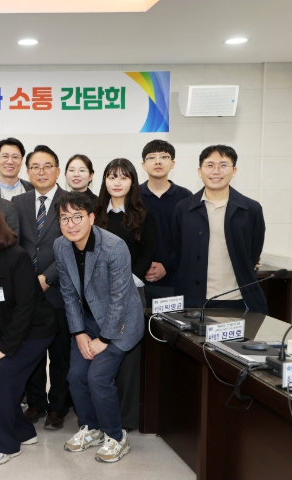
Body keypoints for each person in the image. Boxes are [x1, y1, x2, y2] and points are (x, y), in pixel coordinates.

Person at [0, 203, 58, 465]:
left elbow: (26, 308)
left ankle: (5, 445)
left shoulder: (17, 257)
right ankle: (24, 431)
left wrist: (3, 348)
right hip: (4, 332)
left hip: (35, 330)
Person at [53, 192, 144, 463]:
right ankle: (91, 428)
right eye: (64, 218)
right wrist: (79, 332)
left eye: (77, 217)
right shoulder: (60, 246)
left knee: (98, 378)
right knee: (76, 376)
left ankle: (116, 437)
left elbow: (119, 298)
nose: (71, 224)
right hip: (88, 322)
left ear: (91, 218)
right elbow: (68, 293)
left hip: (121, 322)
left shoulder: (114, 246)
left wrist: (103, 339)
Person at [92, 158, 157, 431]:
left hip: (130, 293)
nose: (117, 182)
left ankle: (127, 418)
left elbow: (148, 252)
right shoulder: (95, 213)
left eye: (123, 177)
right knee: (101, 356)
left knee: (128, 358)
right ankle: (101, 416)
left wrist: (126, 282)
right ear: (104, 181)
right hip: (98, 296)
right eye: (111, 176)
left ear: (132, 182)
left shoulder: (143, 214)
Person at [12, 145, 70, 430]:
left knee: (60, 353)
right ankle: (36, 403)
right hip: (26, 293)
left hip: (59, 290)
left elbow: (72, 244)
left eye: (47, 166)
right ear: (28, 171)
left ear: (57, 171)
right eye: (35, 167)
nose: (41, 171)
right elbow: (14, 243)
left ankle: (58, 407)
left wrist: (47, 277)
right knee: (31, 352)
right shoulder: (18, 202)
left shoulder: (69, 202)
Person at [171, 145, 267, 313]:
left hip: (237, 298)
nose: (216, 171)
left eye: (223, 165)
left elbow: (252, 252)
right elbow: (179, 251)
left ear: (234, 171)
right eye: (209, 165)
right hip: (193, 299)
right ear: (199, 171)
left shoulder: (251, 209)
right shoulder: (183, 208)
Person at [139, 140, 193, 305]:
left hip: (175, 280)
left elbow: (189, 239)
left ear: (172, 163)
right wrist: (142, 265)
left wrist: (167, 266)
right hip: (137, 280)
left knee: (172, 322)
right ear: (143, 165)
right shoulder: (132, 196)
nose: (158, 161)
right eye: (151, 157)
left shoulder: (186, 197)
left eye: (164, 157)